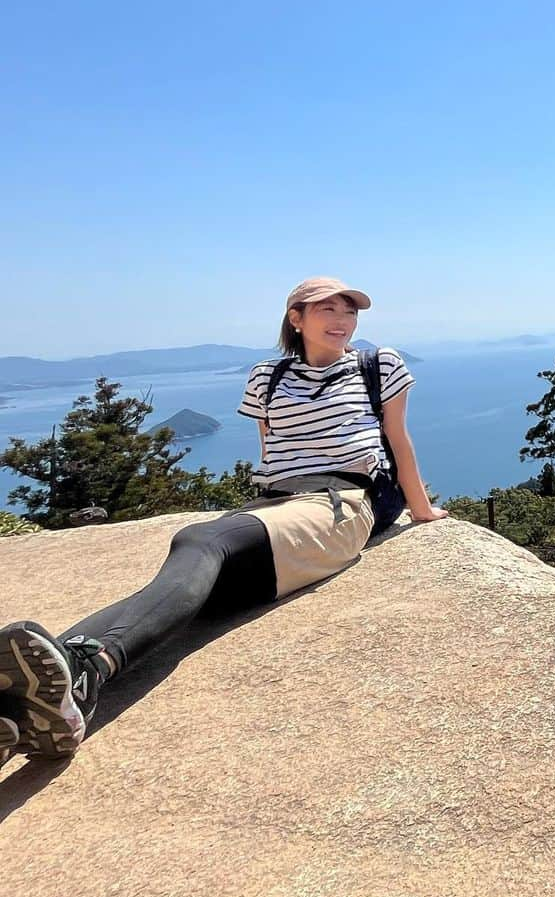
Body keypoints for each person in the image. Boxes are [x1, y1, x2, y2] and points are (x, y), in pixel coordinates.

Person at [0, 276, 447, 762]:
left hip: (340, 502)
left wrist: (419, 509)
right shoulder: (267, 377)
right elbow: (271, 449)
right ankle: (29, 702)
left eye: (349, 312)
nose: (342, 321)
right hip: (280, 505)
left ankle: (77, 669)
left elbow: (398, 440)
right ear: (296, 319)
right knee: (178, 591)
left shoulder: (377, 365)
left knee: (200, 540)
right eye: (327, 310)